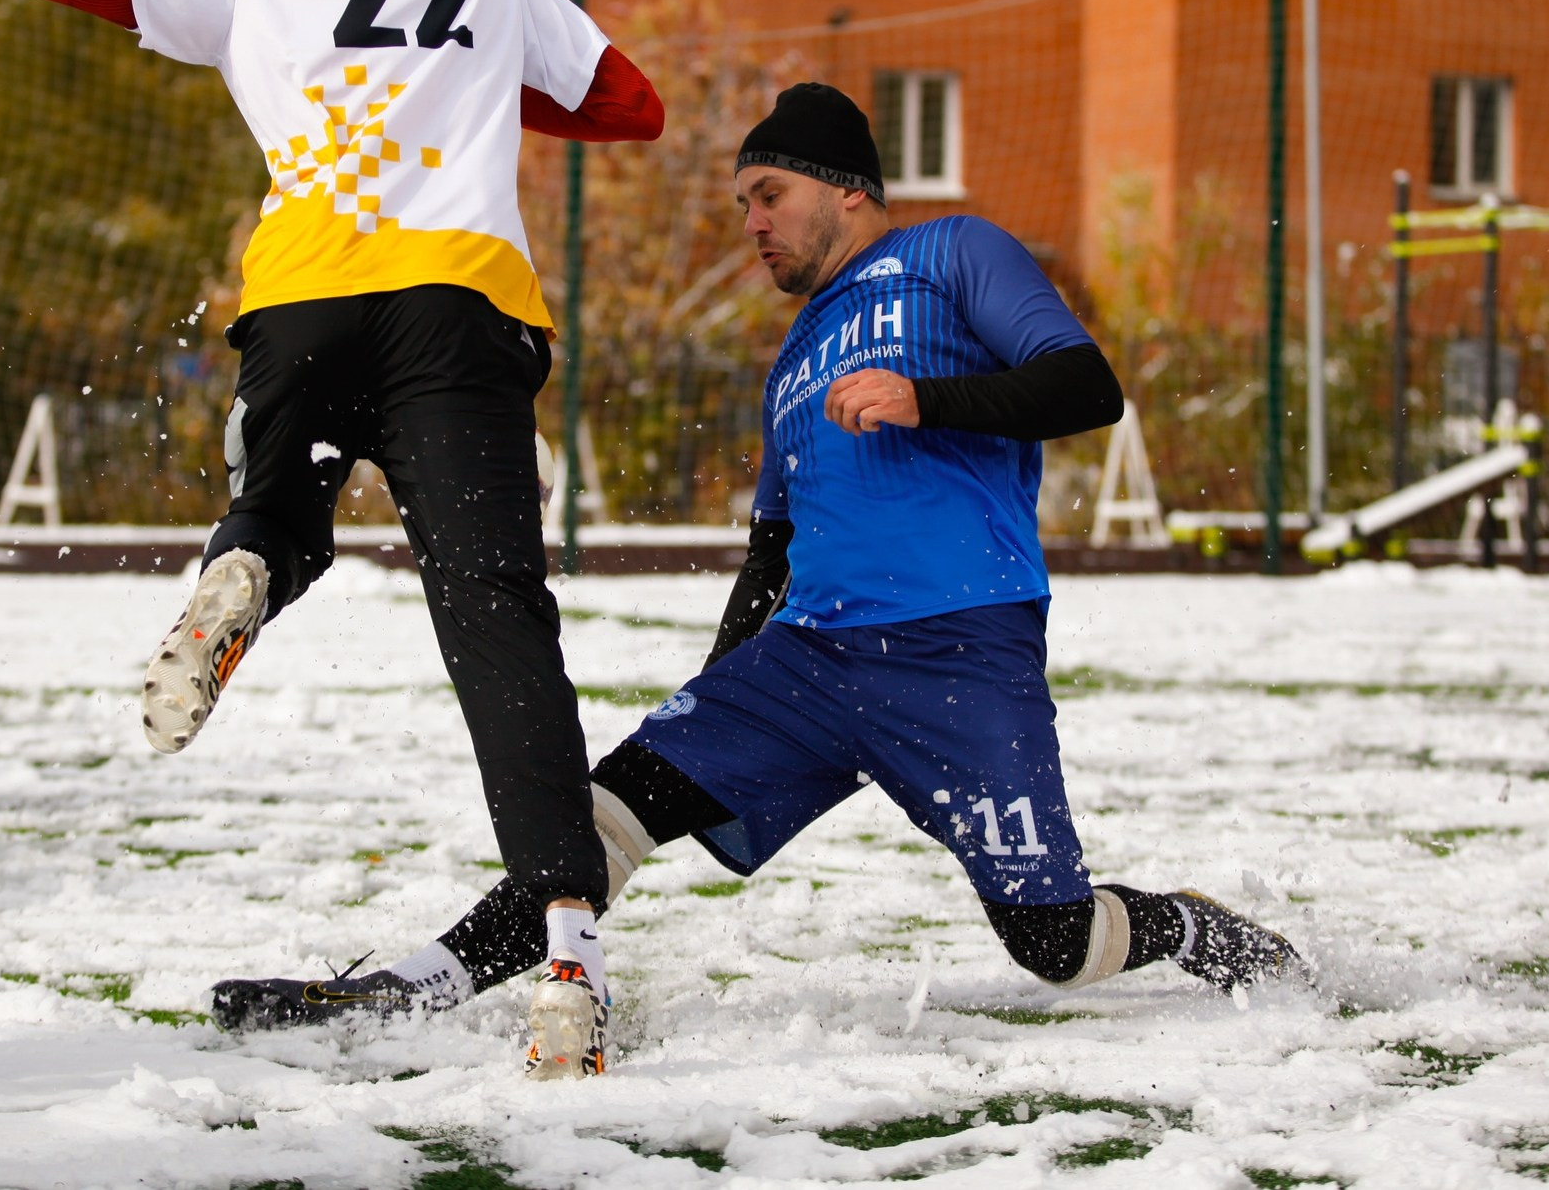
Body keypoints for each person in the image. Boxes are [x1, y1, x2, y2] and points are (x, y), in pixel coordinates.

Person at [0, 0, 663, 1056]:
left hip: (304, 301)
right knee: (496, 615)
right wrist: (465, 81)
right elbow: (630, 106)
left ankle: (241, 564)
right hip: (462, 310)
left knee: (280, 511)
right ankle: (568, 962)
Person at [211, 83, 1298, 1077]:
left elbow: (1087, 386)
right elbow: (770, 554)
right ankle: (408, 989)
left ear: (848, 190)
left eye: (769, 193)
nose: (752, 222)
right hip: (805, 665)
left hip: (960, 655)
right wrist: (717, 690)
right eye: (743, 203)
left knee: (1054, 944)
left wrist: (926, 397)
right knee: (597, 817)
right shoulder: (793, 359)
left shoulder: (956, 251)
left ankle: (1190, 925)